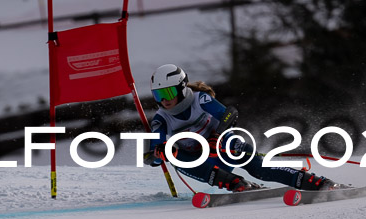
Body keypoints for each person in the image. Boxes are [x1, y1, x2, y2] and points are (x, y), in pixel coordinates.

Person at [143, 64, 337, 192]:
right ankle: (236, 183)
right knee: (176, 157)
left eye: (167, 93)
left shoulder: (200, 99)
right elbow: (151, 156)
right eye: (158, 95)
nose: (164, 100)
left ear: (182, 88)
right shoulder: (161, 119)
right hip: (205, 164)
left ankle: (316, 183)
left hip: (224, 149)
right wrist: (160, 153)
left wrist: (217, 136)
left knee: (259, 169)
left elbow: (230, 113)